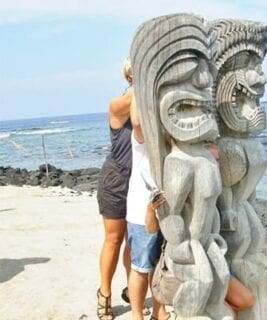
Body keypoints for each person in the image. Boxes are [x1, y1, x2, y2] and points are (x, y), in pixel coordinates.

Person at [96, 58, 139, 320]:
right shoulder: (118, 105)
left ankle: (130, 288)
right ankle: (104, 293)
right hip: (116, 179)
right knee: (114, 239)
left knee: (134, 241)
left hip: (140, 180)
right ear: (130, 76)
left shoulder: (150, 104)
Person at [207, 142, 255, 319]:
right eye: (212, 160)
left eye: (218, 160)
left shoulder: (218, 189)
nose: (217, 166)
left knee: (247, 301)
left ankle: (220, 305)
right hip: (201, 265)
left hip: (218, 261)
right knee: (229, 314)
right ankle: (216, 306)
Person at [126, 131, 170, 320]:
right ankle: (137, 315)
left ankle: (158, 310)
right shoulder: (142, 137)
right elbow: (137, 121)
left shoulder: (169, 137)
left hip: (168, 213)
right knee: (141, 267)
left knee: (161, 265)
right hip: (140, 212)